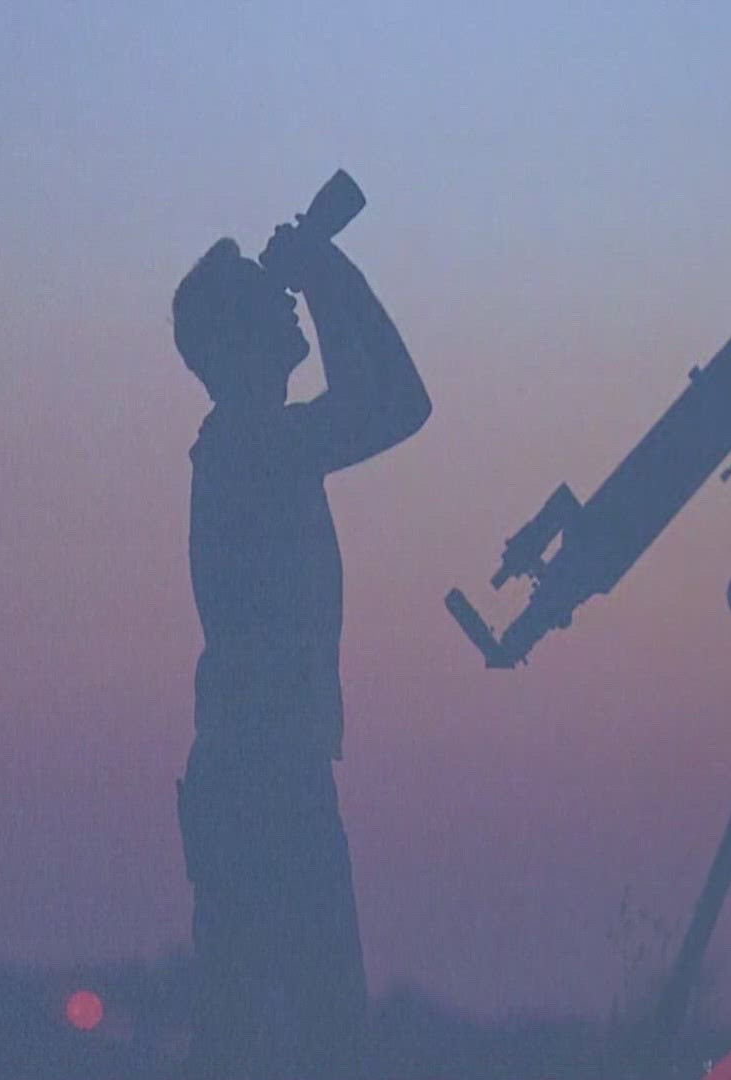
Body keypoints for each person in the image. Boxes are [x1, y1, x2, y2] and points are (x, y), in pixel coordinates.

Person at [170, 222, 429, 1075]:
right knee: (312, 1045)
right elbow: (396, 404)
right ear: (234, 341)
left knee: (274, 1043)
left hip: (263, 781)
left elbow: (392, 401)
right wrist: (326, 267)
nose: (283, 304)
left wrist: (324, 272)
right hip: (265, 789)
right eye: (262, 297)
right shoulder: (253, 447)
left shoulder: (254, 446)